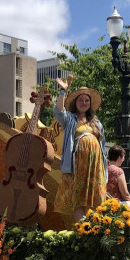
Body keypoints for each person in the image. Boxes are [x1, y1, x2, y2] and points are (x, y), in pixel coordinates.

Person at [53, 76, 108, 222]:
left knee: (95, 195)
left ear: (90, 103)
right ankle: (82, 229)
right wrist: (62, 91)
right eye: (80, 100)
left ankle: (94, 228)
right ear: (75, 103)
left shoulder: (96, 122)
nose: (84, 103)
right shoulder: (70, 119)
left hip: (95, 165)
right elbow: (58, 111)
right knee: (78, 195)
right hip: (78, 164)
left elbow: (102, 146)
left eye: (87, 100)